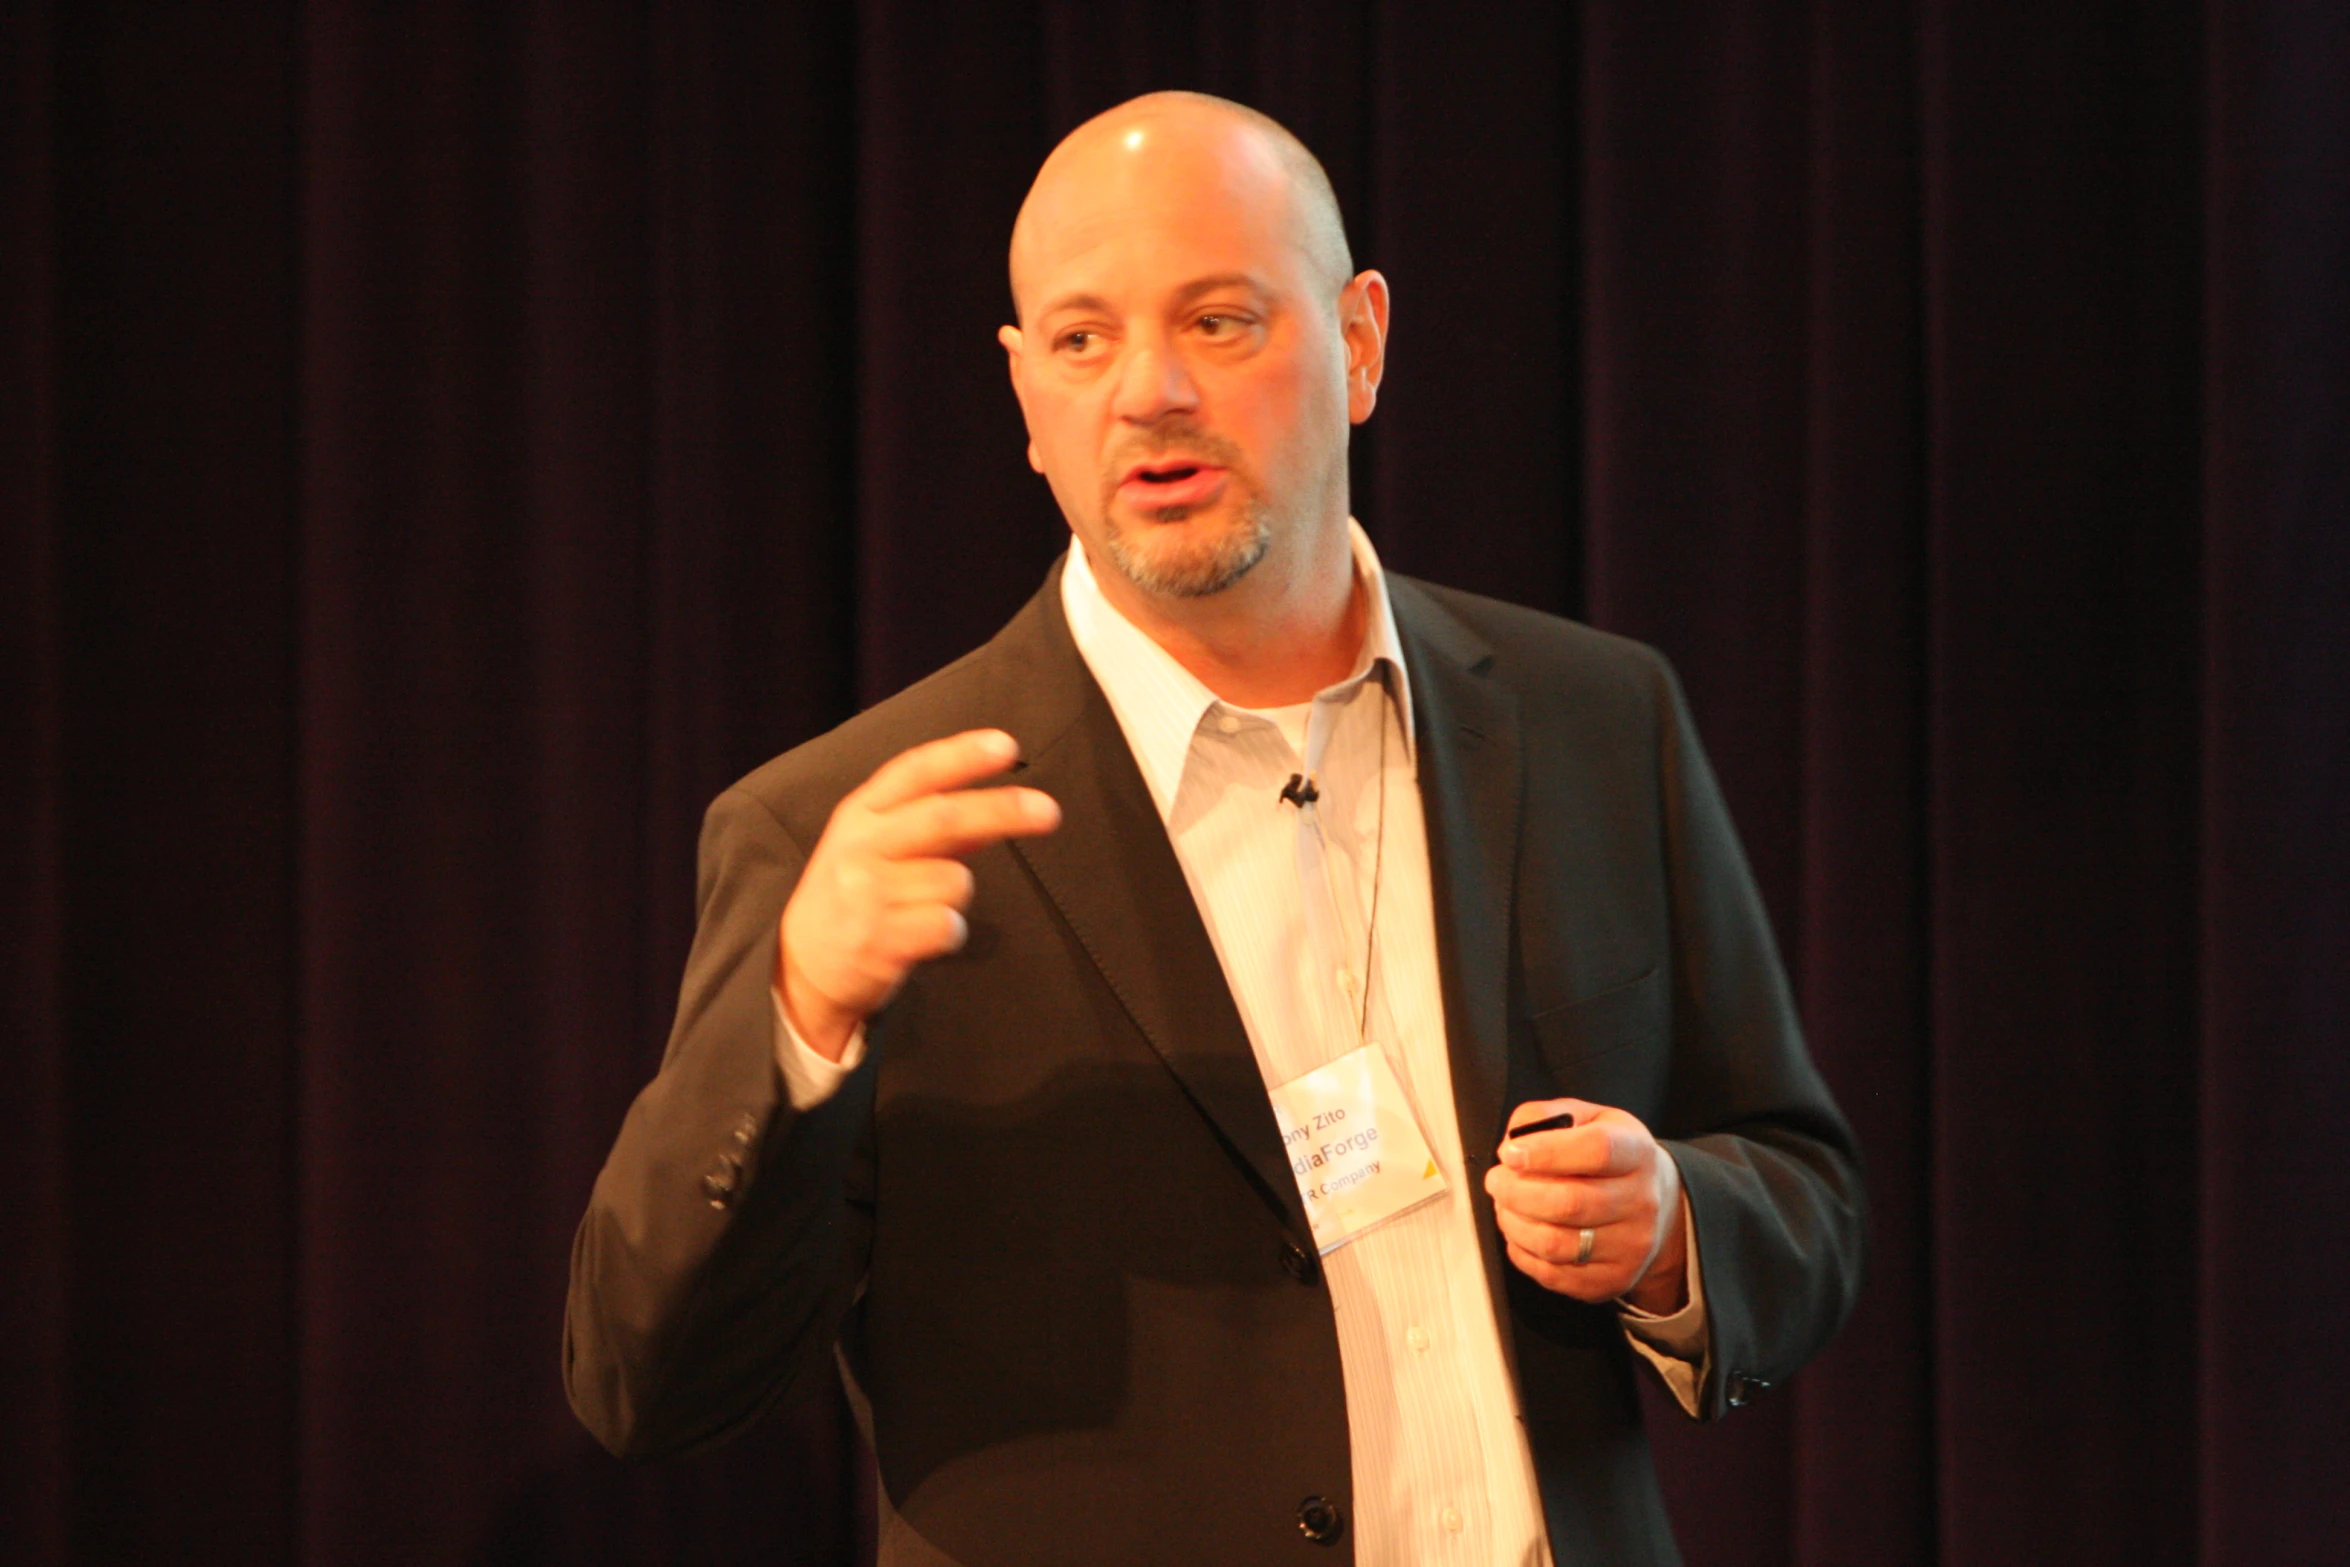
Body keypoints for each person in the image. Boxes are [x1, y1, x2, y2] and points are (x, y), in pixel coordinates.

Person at [566, 91, 1863, 1566]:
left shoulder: (1592, 719)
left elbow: (1802, 1185)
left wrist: (1672, 1228)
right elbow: (641, 1383)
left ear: (1359, 342)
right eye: (1081, 338)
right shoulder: (847, 830)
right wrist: (795, 1023)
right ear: (1024, 397)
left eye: (1218, 321)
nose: (1148, 391)